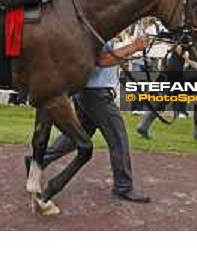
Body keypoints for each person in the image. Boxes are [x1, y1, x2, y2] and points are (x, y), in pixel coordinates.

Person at [30, 36, 151, 203]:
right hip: (97, 95)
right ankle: (123, 186)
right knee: (118, 138)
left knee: (76, 137)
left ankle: (37, 160)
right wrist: (134, 47)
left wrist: (128, 53)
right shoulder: (100, 33)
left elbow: (107, 60)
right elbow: (103, 60)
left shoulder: (97, 31)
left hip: (89, 92)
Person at [137, 42, 197, 142]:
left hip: (177, 68)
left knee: (166, 97)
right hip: (183, 69)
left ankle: (144, 125)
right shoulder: (189, 33)